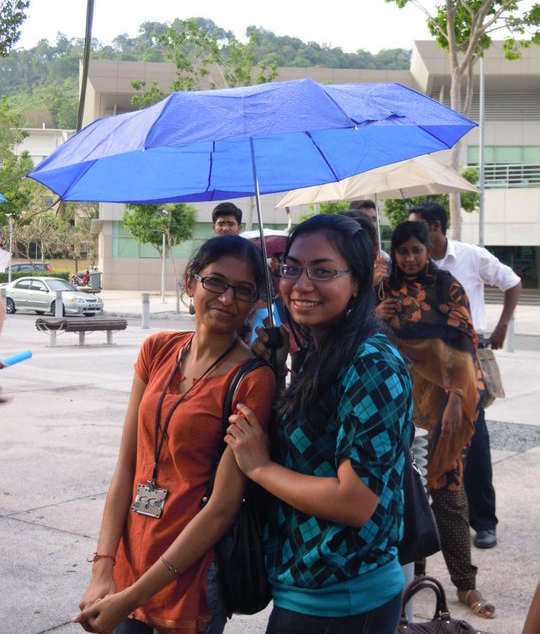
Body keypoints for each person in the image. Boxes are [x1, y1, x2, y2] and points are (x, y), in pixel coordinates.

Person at [73, 235, 275, 634]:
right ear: (190, 283)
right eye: (215, 281)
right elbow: (126, 466)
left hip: (191, 579)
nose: (227, 298)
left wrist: (130, 598)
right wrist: (103, 566)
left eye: (243, 290)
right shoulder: (157, 350)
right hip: (127, 563)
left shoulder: (253, 380)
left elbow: (221, 509)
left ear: (255, 302)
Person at [225, 214, 413, 634]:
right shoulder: (319, 350)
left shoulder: (371, 363)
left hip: (343, 597)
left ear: (357, 282)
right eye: (291, 268)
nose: (301, 284)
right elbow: (313, 451)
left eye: (323, 271)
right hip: (306, 586)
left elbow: (354, 501)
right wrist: (274, 370)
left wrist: (259, 467)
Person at [377, 220, 495, 620]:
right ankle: (414, 579)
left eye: (417, 250)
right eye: (402, 251)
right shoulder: (382, 290)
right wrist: (375, 314)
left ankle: (465, 583)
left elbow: (464, 344)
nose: (410, 258)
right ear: (394, 253)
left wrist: (456, 400)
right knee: (408, 492)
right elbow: (364, 340)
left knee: (449, 491)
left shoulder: (447, 286)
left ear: (429, 250)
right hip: (400, 403)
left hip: (445, 403)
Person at [409, 200, 521, 550]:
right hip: (428, 364)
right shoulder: (414, 263)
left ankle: (484, 521)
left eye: (418, 227)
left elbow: (512, 282)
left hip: (467, 359)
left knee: (474, 439)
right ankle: (433, 519)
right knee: (426, 439)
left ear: (436, 228)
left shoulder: (471, 257)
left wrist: (502, 326)